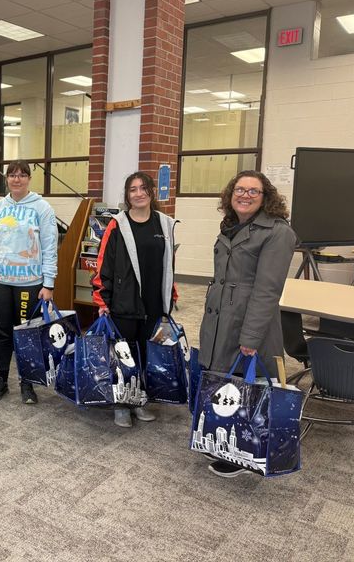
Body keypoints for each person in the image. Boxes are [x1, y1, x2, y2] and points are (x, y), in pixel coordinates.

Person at [199, 170, 297, 478]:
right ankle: (223, 441)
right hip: (221, 318)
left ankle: (246, 452)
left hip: (248, 322)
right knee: (226, 383)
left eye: (254, 191)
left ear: (265, 197)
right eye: (240, 189)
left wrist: (252, 337)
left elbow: (267, 290)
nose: (245, 195)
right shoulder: (231, 226)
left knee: (248, 386)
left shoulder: (277, 232)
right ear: (231, 195)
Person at [92, 172, 177, 427]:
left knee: (145, 354)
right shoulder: (117, 225)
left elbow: (169, 264)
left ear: (152, 192)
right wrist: (102, 301)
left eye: (143, 188)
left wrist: (170, 295)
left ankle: (139, 400)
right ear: (127, 196)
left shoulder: (165, 224)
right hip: (123, 303)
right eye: (132, 189)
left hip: (153, 304)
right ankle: (121, 404)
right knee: (123, 354)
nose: (138, 193)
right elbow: (103, 266)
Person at [0, 160, 58, 404]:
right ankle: (2, 379)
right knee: (3, 332)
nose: (16, 179)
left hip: (29, 282)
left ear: (29, 179)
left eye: (22, 175)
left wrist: (49, 283)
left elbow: (49, 246)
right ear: (7, 179)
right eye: (12, 175)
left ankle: (27, 383)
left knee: (26, 333)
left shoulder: (42, 208)